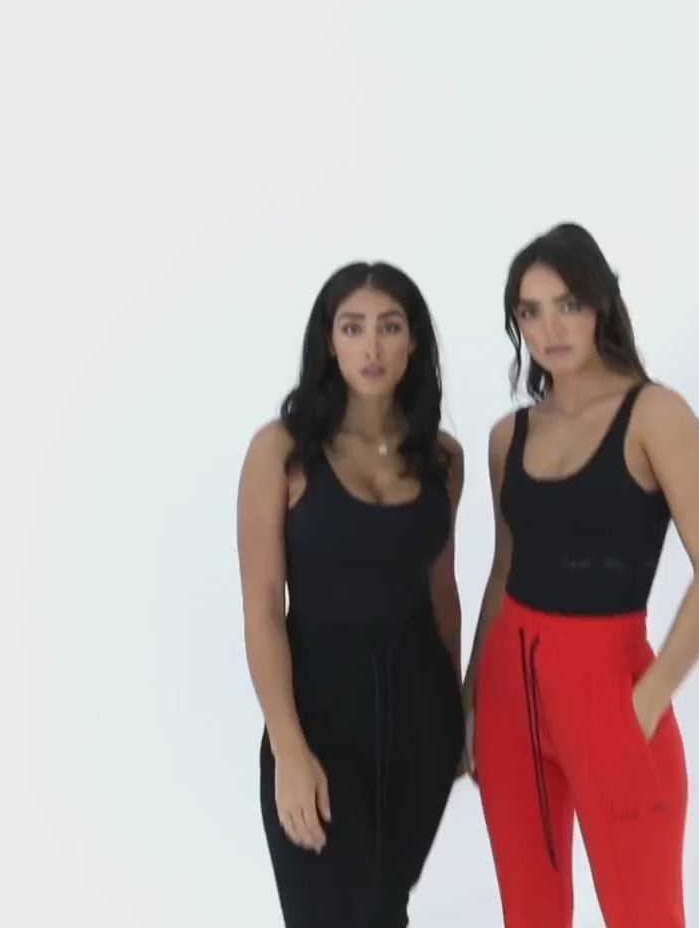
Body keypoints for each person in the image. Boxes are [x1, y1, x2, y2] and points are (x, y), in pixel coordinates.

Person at [462, 223, 699, 928]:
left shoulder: (657, 417)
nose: (550, 328)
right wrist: (470, 699)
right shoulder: (508, 436)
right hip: (507, 697)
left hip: (610, 689)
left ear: (602, 303)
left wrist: (648, 700)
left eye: (568, 304)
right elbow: (504, 569)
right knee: (529, 915)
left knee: (643, 914)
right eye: (530, 311)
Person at [237, 261, 468, 928]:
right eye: (353, 327)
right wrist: (288, 750)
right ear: (328, 341)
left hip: (422, 725)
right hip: (320, 723)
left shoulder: (441, 458)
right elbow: (262, 610)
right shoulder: (281, 452)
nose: (371, 347)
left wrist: (458, 717)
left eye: (389, 327)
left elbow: (442, 592)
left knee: (384, 912)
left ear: (413, 341)